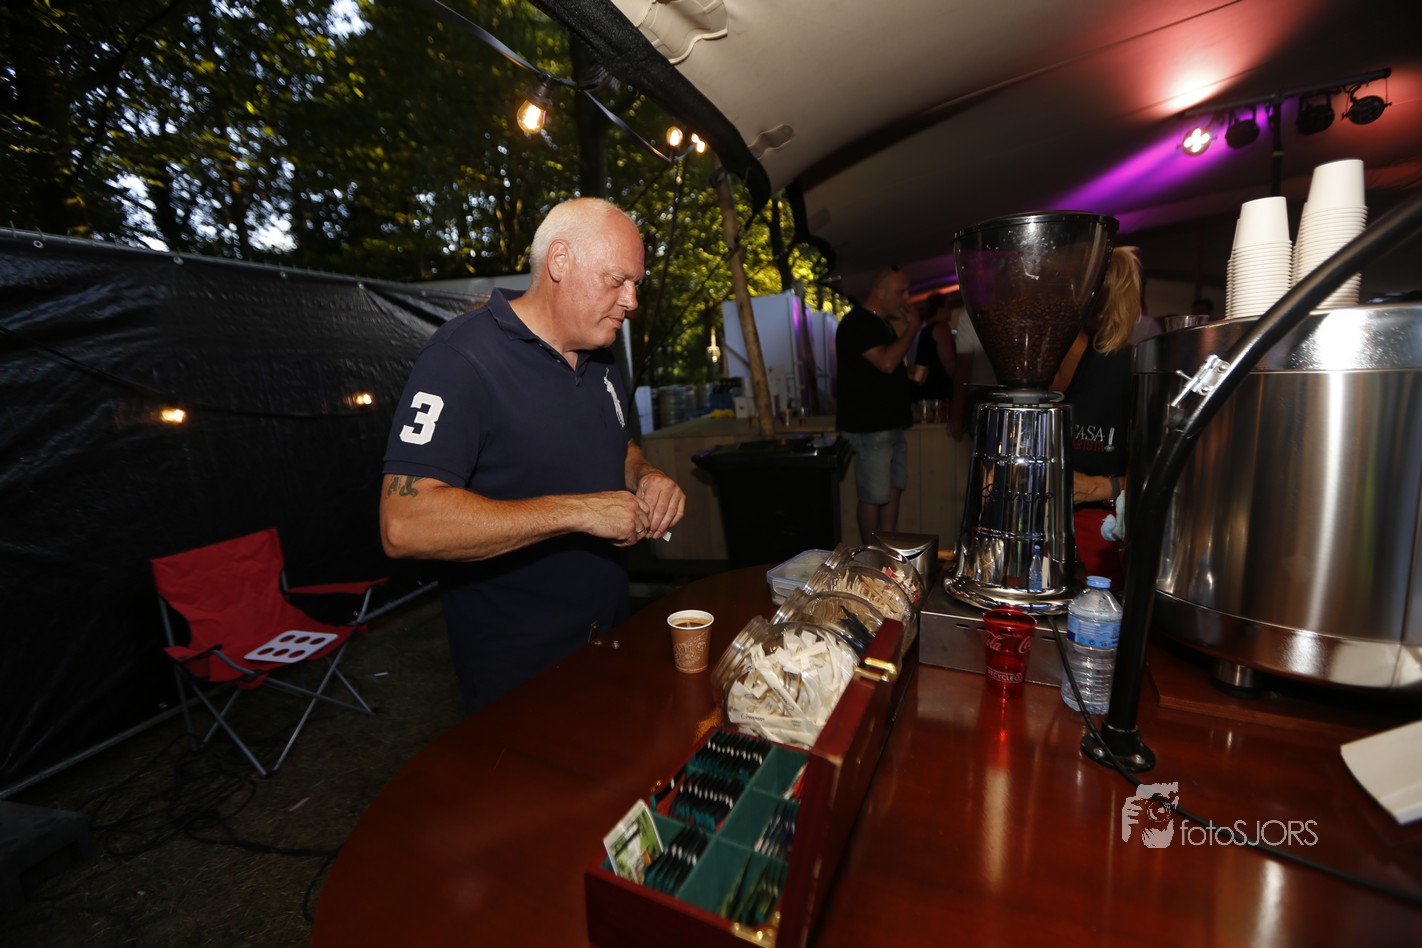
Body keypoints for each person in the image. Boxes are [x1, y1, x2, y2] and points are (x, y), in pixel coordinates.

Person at [380, 197, 687, 711]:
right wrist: (580, 512)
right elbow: (404, 523)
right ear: (560, 262)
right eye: (617, 280)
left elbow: (618, 443)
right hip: (522, 674)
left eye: (636, 283)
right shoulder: (460, 358)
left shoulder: (601, 353)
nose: (631, 301)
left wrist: (645, 475)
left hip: (613, 637)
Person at [1051, 245, 1142, 585]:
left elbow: (1167, 474)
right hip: (1042, 528)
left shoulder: (1126, 369)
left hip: (1102, 534)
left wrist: (1102, 486)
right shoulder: (1038, 363)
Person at [836, 266, 920, 543]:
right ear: (881, 293)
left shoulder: (881, 324)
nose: (906, 298)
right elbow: (885, 362)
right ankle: (872, 556)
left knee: (893, 490)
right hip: (870, 427)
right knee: (873, 495)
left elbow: (882, 367)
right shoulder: (857, 323)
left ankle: (888, 551)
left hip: (890, 424)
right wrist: (913, 328)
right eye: (901, 292)